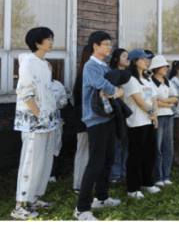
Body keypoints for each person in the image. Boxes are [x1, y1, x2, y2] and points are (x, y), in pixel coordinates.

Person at [11, 27, 59, 219]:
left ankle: (34, 197)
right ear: (37, 43)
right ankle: (19, 206)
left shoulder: (44, 64)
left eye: (51, 38)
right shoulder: (28, 62)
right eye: (48, 39)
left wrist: (48, 116)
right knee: (30, 162)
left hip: (48, 121)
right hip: (33, 122)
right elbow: (24, 92)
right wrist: (38, 115)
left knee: (44, 161)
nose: (51, 42)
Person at [75, 31, 123, 221]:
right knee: (95, 163)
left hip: (108, 117)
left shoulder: (103, 65)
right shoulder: (91, 66)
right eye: (106, 44)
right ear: (95, 46)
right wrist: (116, 91)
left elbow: (110, 87)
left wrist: (113, 91)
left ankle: (101, 198)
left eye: (110, 44)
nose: (109, 48)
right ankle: (82, 209)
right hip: (96, 119)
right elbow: (104, 86)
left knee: (108, 160)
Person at [121, 49, 159, 200]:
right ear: (135, 61)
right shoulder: (131, 79)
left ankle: (148, 183)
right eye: (144, 59)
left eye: (148, 59)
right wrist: (151, 112)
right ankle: (133, 188)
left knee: (149, 153)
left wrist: (155, 114)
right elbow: (139, 101)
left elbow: (153, 98)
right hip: (137, 122)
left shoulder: (148, 78)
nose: (147, 62)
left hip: (149, 120)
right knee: (136, 155)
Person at [149, 56, 177, 187]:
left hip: (169, 116)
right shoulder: (149, 81)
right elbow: (152, 101)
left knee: (168, 146)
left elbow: (175, 98)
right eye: (163, 66)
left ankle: (166, 175)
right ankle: (157, 177)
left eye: (166, 66)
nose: (166, 68)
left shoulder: (168, 81)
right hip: (157, 116)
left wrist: (163, 102)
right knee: (157, 147)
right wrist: (167, 103)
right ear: (156, 68)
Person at [71, 43, 94, 193]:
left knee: (87, 151)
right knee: (83, 151)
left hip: (88, 118)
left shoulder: (84, 72)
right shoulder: (85, 74)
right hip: (84, 119)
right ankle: (78, 184)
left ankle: (84, 183)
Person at [107, 48, 131, 184]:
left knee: (126, 143)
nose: (127, 59)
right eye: (123, 56)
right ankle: (114, 174)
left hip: (129, 114)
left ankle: (123, 172)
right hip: (116, 114)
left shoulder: (130, 75)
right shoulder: (113, 75)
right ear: (116, 59)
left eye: (128, 56)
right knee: (117, 144)